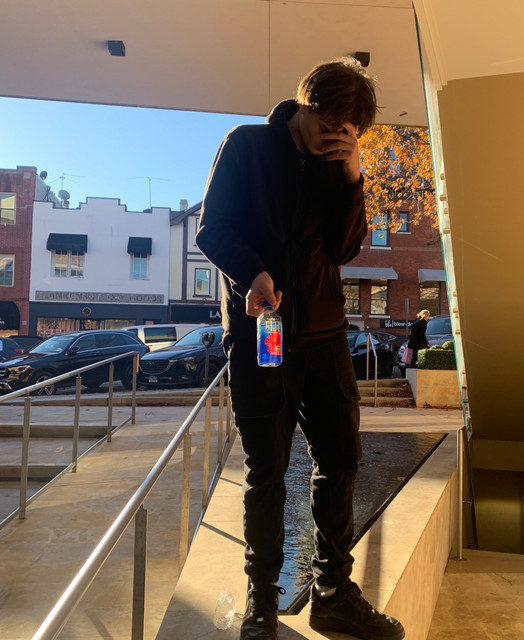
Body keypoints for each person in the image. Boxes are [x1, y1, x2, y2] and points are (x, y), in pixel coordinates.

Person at [196, 58, 405, 640]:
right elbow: (212, 229)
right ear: (305, 104)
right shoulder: (245, 146)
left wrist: (353, 175)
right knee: (266, 471)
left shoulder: (337, 165)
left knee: (342, 460)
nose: (332, 138)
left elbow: (343, 249)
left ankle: (333, 594)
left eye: (347, 132)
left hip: (326, 337)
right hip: (262, 336)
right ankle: (262, 602)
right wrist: (253, 273)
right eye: (328, 125)